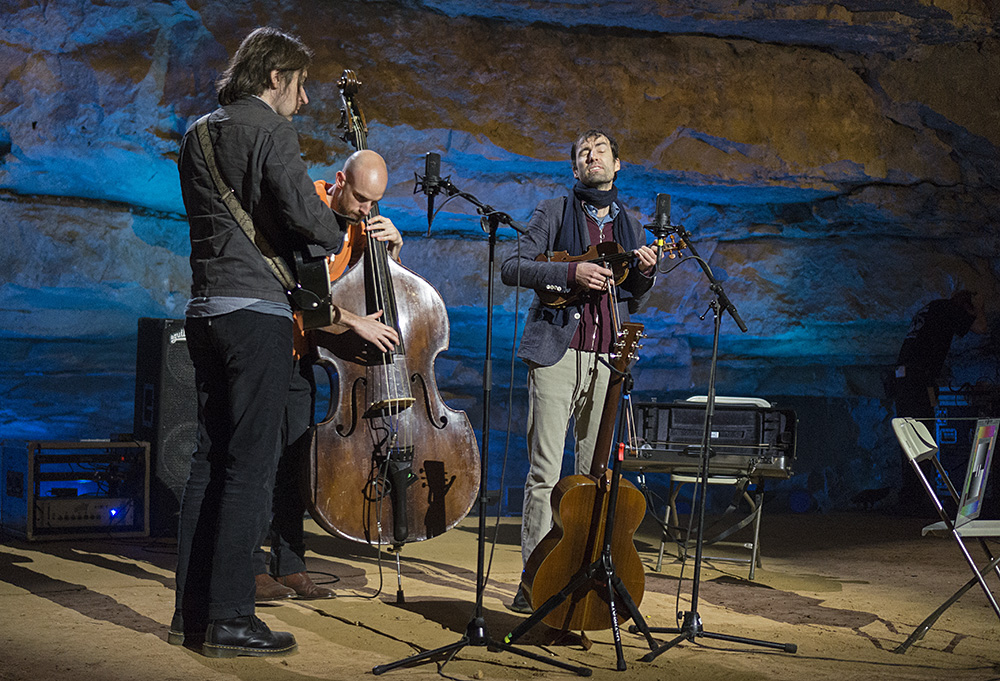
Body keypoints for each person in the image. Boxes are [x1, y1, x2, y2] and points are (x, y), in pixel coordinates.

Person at [171, 27, 398, 657]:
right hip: (256, 316)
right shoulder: (270, 130)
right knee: (251, 467)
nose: (302, 101)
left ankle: (191, 614)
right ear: (275, 77)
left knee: (207, 464)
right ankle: (232, 620)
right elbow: (312, 222)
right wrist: (346, 218)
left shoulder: (197, 133)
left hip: (205, 310)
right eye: (299, 87)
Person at [499, 129, 658, 613]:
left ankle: (579, 577)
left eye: (601, 150)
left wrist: (646, 271)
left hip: (609, 358)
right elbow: (513, 266)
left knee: (593, 478)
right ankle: (533, 584)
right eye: (583, 153)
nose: (592, 157)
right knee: (545, 473)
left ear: (617, 165)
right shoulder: (554, 212)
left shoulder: (631, 224)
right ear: (575, 169)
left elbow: (634, 296)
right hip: (557, 354)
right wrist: (571, 273)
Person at [253, 149, 403, 601]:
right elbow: (303, 294)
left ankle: (291, 563)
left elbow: (379, 288)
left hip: (308, 356)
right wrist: (356, 322)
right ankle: (251, 565)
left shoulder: (363, 224)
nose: (366, 210)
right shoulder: (304, 206)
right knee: (259, 463)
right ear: (339, 180)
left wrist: (393, 249)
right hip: (273, 343)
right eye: (360, 198)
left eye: (375, 203)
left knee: (297, 463)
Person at [892, 289, 985, 512]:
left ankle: (911, 497)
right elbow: (981, 328)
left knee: (910, 439)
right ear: (964, 306)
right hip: (917, 381)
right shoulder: (951, 310)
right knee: (923, 437)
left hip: (904, 379)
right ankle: (919, 500)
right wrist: (979, 307)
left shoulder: (934, 307)